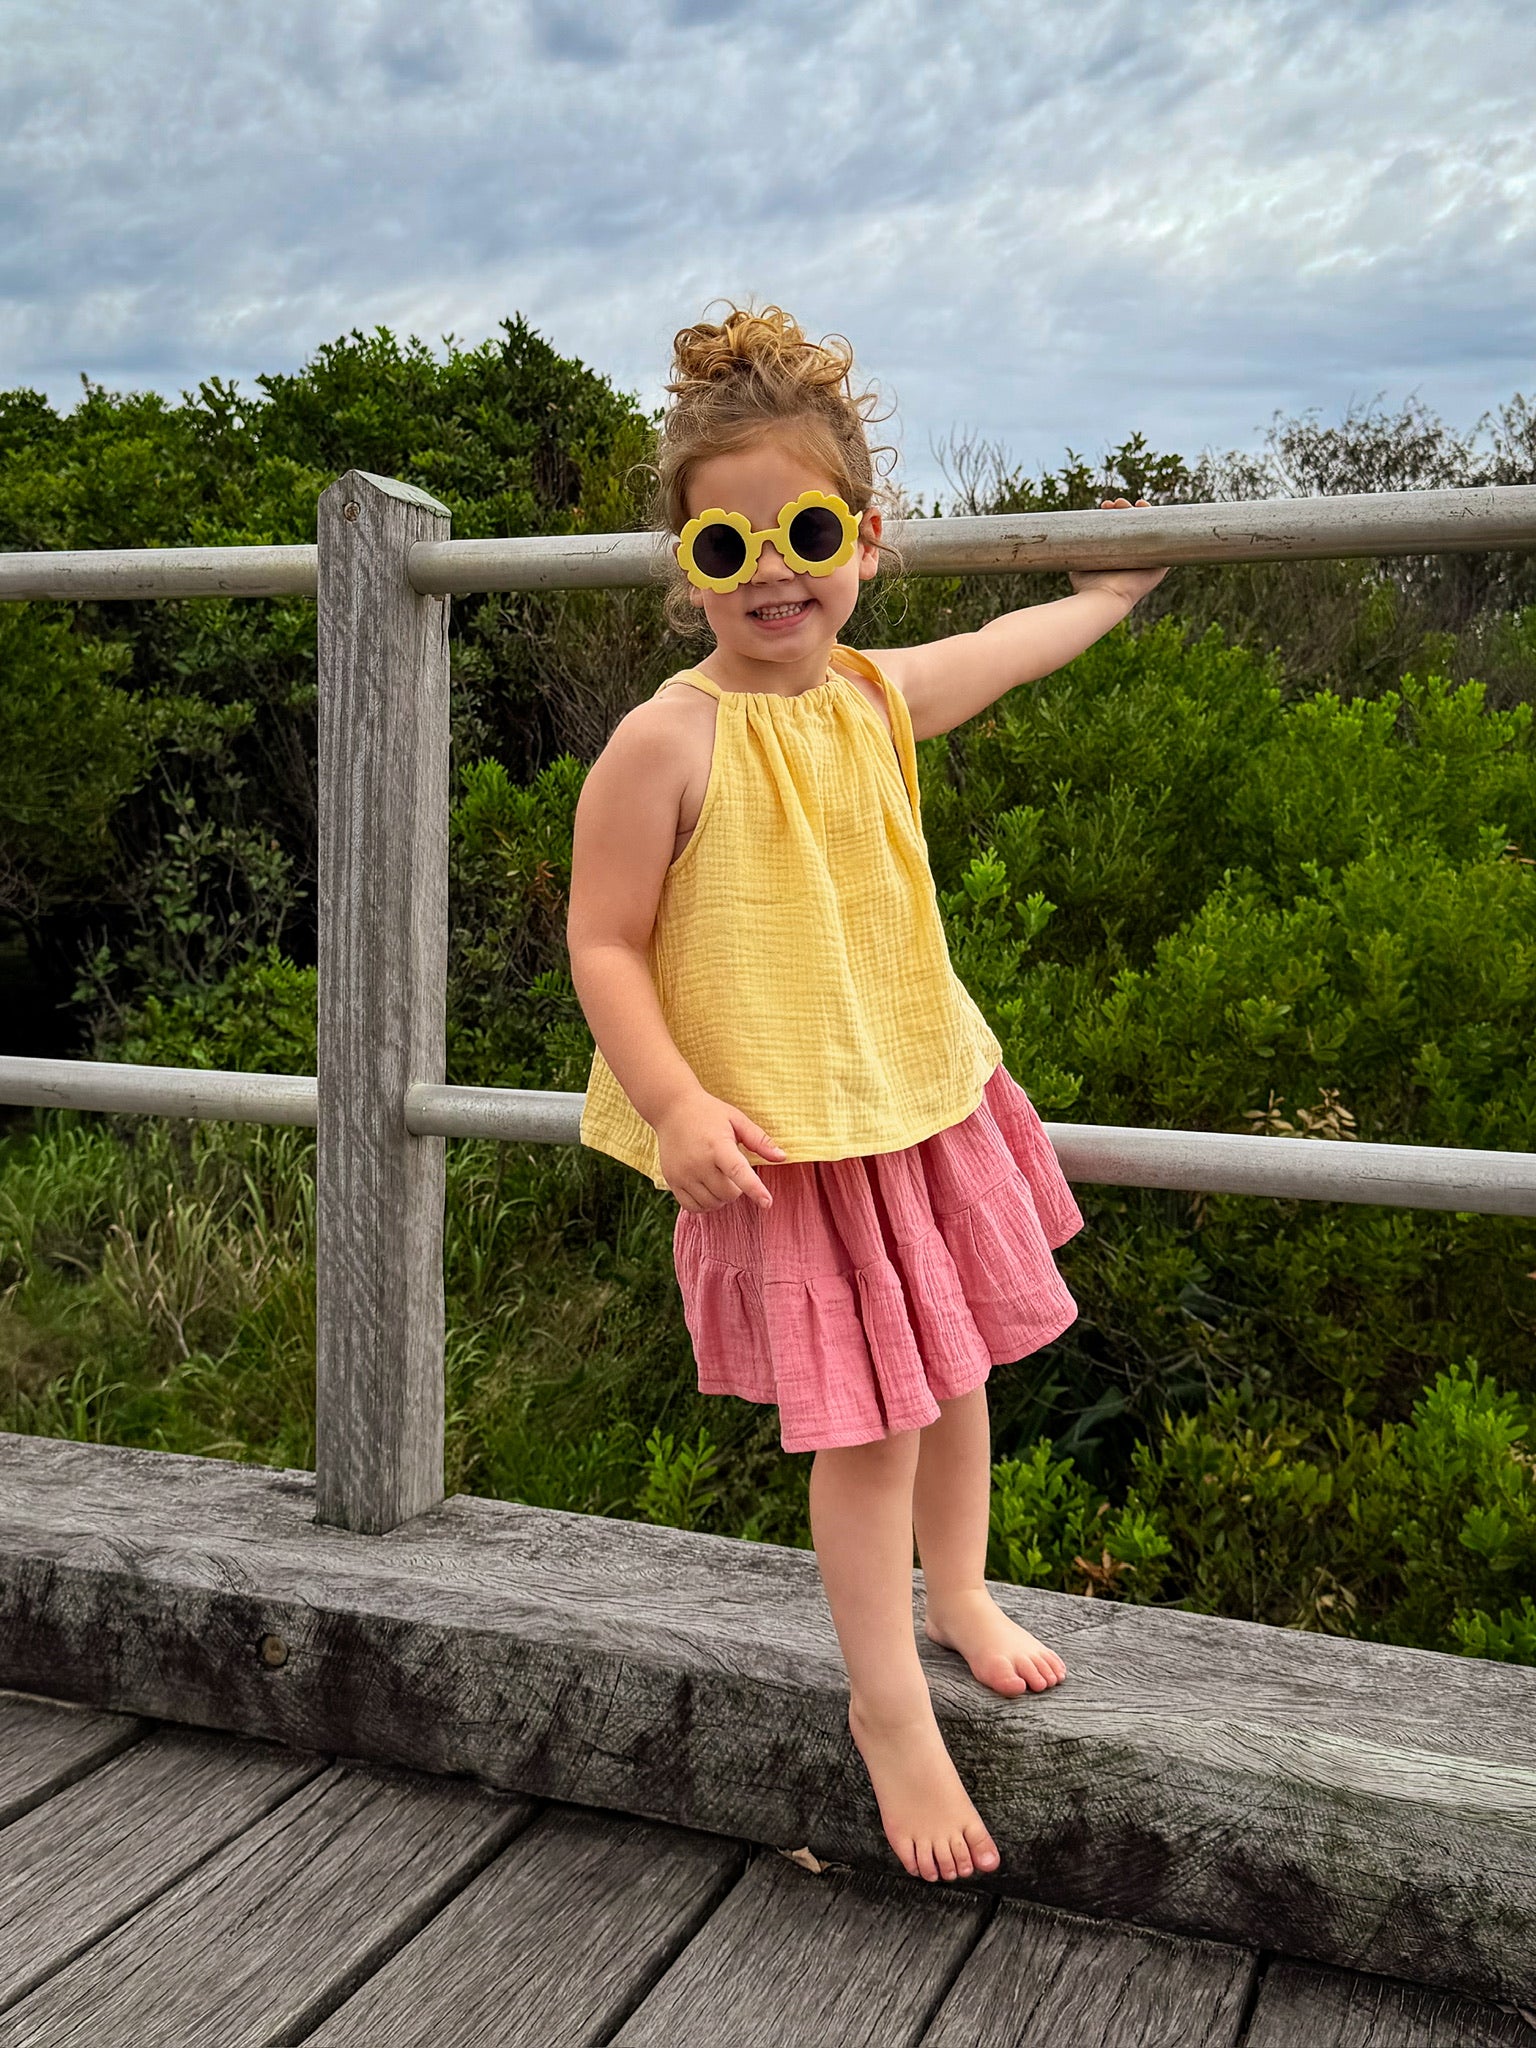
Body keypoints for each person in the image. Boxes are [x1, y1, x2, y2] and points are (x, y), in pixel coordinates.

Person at [566, 304, 1167, 1885]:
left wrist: (1104, 596)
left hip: (914, 1099)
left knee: (958, 1377)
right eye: (729, 546)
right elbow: (603, 940)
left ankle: (957, 1594)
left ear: (867, 539)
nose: (775, 572)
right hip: (790, 1137)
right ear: (687, 565)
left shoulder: (874, 696)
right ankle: (885, 1701)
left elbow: (997, 655)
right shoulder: (663, 741)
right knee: (878, 1431)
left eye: (810, 534)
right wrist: (676, 1105)